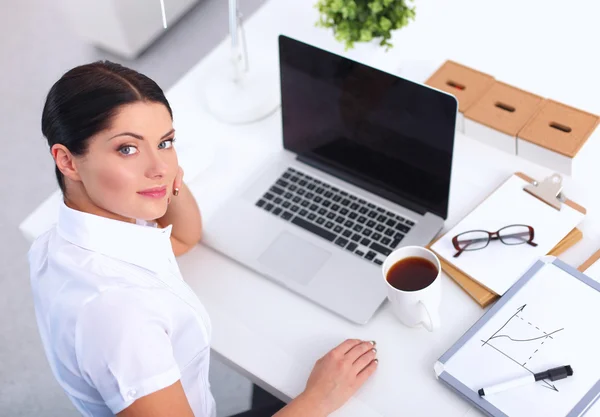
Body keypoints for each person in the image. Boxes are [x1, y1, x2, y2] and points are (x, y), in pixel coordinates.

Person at [28, 61, 378, 417]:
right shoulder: (120, 317)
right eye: (127, 149)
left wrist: (159, 182)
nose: (160, 166)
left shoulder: (61, 239)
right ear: (67, 161)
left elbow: (184, 235)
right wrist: (319, 398)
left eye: (165, 142)